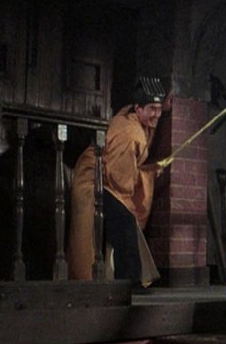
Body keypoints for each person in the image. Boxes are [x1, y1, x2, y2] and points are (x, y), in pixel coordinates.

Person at [67, 77, 171, 286]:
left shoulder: (132, 116)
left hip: (106, 179)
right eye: (152, 109)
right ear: (138, 108)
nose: (157, 115)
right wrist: (150, 174)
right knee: (125, 222)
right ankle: (127, 284)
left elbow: (124, 169)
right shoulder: (130, 134)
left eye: (159, 109)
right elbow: (120, 181)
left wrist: (163, 108)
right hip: (93, 182)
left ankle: (128, 281)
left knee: (125, 223)